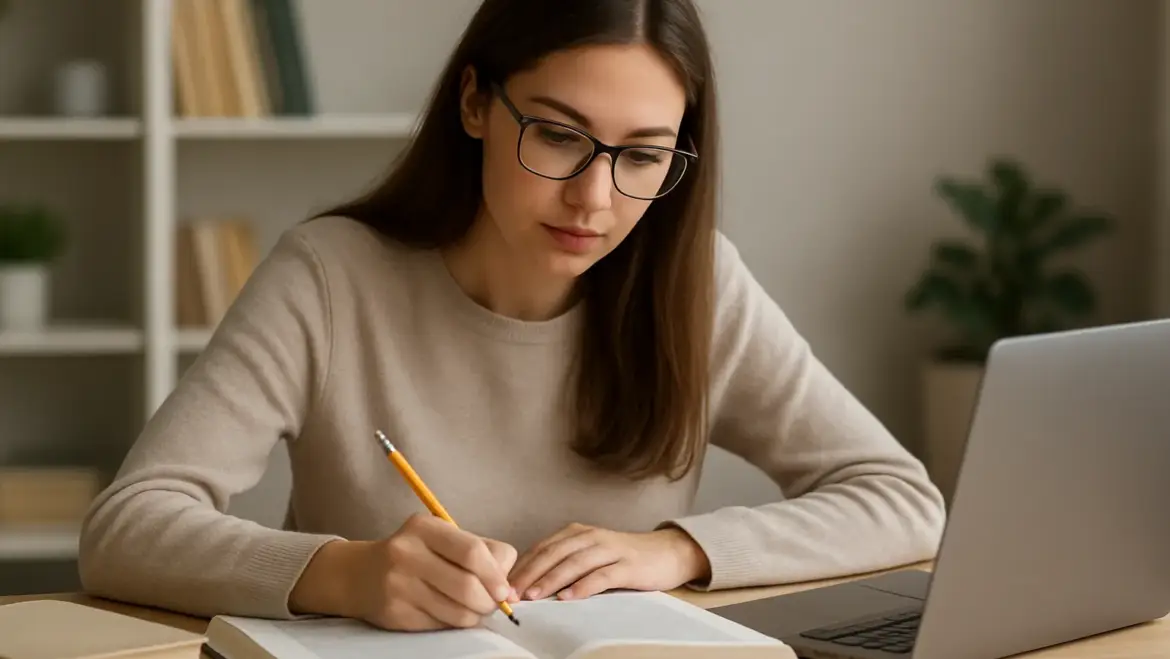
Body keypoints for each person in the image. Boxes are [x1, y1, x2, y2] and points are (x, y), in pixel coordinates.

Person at [77, 0, 945, 633]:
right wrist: (346, 571)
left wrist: (677, 549)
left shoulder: (696, 282)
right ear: (475, 105)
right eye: (560, 136)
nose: (594, 199)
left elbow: (901, 498)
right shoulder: (331, 276)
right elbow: (129, 525)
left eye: (641, 155)